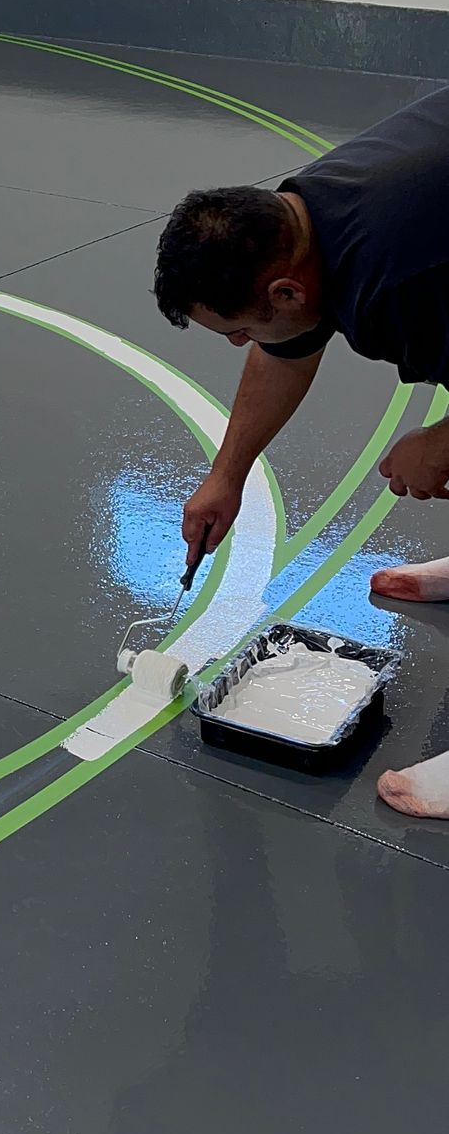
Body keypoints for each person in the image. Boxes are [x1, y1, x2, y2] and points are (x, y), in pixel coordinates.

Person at [153, 84, 449, 818]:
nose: (236, 345)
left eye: (236, 330)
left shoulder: (396, 280)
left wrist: (438, 444)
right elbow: (283, 348)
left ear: (284, 290)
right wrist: (227, 475)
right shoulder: (300, 217)